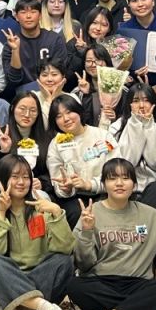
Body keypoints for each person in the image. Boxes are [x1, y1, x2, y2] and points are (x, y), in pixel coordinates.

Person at [67, 159, 156, 310]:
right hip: (101, 282)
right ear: (104, 184)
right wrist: (87, 231)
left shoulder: (151, 215)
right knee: (73, 285)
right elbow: (83, 264)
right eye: (113, 178)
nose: (119, 183)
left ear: (134, 184)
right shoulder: (91, 212)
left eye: (125, 178)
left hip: (138, 284)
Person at [0, 155, 74, 310]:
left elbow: (65, 248)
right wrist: (1, 213)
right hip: (5, 278)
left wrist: (56, 213)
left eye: (26, 177)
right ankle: (44, 308)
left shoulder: (42, 210)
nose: (21, 182)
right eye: (15, 177)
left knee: (64, 261)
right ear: (2, 179)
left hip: (40, 278)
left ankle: (6, 305)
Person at [106, 84, 156, 212]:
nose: (141, 105)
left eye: (146, 100)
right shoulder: (116, 128)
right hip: (125, 187)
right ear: (129, 104)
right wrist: (135, 124)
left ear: (153, 103)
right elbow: (127, 163)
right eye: (136, 101)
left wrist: (149, 126)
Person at [46, 93, 109, 226]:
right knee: (75, 213)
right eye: (59, 116)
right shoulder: (56, 144)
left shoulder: (102, 135)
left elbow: (116, 172)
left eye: (69, 112)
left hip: (104, 192)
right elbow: (57, 182)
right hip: (74, 198)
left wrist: (89, 184)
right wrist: (66, 188)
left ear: (79, 111)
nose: (66, 119)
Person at [2, 0, 69, 97]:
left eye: (33, 12)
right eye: (23, 12)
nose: (28, 16)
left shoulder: (54, 39)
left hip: (52, 92)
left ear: (40, 15)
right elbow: (13, 80)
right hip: (23, 96)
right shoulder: (11, 44)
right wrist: (15, 50)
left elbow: (62, 73)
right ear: (16, 16)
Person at [0, 92, 54, 193]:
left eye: (33, 110)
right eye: (22, 109)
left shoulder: (47, 139)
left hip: (39, 193)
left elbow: (53, 171)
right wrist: (4, 152)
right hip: (7, 193)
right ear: (12, 108)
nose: (27, 115)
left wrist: (43, 182)